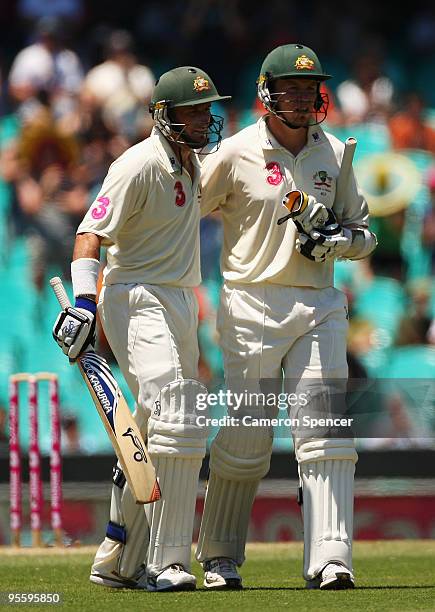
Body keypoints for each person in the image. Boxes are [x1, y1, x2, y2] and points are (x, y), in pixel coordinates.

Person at [196, 43, 377, 590]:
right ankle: (220, 555)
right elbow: (184, 212)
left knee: (325, 432)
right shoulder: (234, 152)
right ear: (266, 94)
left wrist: (336, 243)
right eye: (292, 90)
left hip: (319, 304)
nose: (303, 99)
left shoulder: (336, 154)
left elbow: (365, 235)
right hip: (250, 303)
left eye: (310, 89)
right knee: (249, 435)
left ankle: (331, 557)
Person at [52, 66, 230, 591]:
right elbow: (89, 234)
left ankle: (117, 555)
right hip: (136, 295)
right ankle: (165, 561)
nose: (204, 121)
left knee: (154, 431)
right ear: (165, 116)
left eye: (207, 111)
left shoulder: (190, 162)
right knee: (178, 412)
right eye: (193, 112)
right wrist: (84, 305)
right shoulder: (137, 164)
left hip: (178, 300)